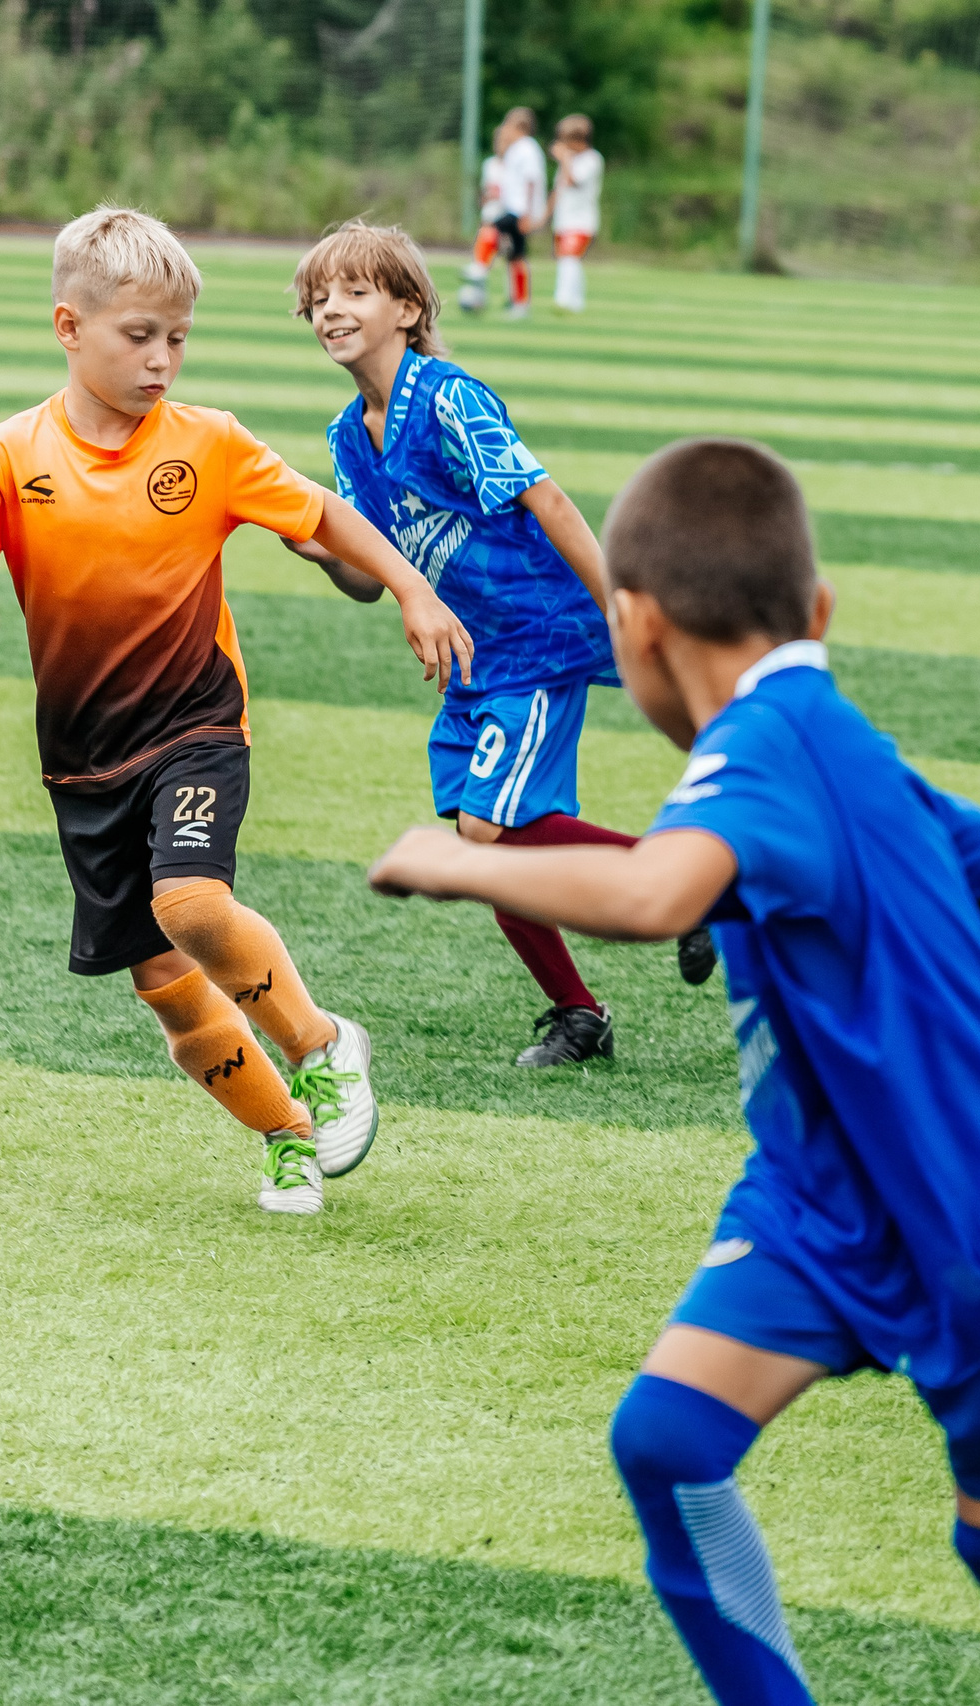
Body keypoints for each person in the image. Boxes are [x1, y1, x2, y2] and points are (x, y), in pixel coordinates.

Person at [366, 436, 980, 1706]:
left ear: (630, 625)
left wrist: (463, 857)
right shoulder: (838, 733)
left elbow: (652, 891)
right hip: (824, 1192)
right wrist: (899, 1031)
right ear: (819, 609)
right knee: (668, 1440)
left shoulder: (763, 744)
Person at [0, 207, 475, 1214]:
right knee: (167, 983)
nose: (163, 360)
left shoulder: (209, 444)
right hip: (85, 760)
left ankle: (321, 1041)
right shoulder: (9, 454)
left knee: (190, 900)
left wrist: (412, 587)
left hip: (196, 726)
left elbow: (322, 511)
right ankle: (288, 1133)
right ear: (68, 327)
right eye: (140, 336)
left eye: (178, 337)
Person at [287, 219, 715, 1068]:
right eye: (318, 297)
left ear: (408, 309)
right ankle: (579, 1017)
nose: (332, 309)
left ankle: (693, 888)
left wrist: (619, 608)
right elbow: (373, 578)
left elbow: (548, 502)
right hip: (474, 660)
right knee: (496, 835)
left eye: (355, 291)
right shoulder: (346, 438)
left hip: (541, 636)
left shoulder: (449, 397)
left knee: (487, 836)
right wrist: (318, 549)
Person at [460, 108, 545, 319]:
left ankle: (479, 267)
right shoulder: (518, 149)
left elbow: (530, 181)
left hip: (519, 210)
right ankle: (519, 303)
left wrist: (527, 213)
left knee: (492, 230)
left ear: (518, 127)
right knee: (516, 256)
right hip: (513, 207)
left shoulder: (527, 148)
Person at [550, 114, 604, 315]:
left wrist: (564, 159)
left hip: (582, 220)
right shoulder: (571, 160)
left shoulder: (592, 159)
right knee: (569, 259)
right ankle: (576, 301)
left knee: (569, 258)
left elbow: (573, 180)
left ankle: (563, 299)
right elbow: (559, 189)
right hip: (564, 219)